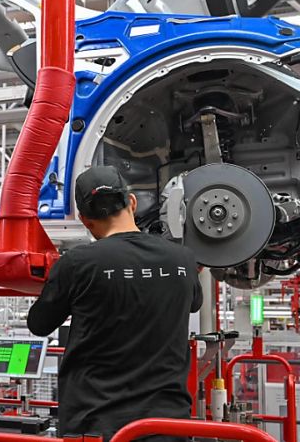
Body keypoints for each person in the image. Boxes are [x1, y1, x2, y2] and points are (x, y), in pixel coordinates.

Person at [27, 165, 202, 441]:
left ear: (85, 219)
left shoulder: (77, 263)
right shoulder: (183, 259)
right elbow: (193, 304)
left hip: (96, 425)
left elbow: (39, 324)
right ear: (131, 202)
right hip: (168, 424)